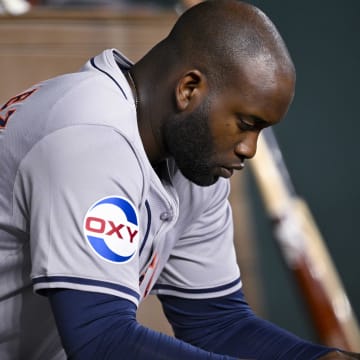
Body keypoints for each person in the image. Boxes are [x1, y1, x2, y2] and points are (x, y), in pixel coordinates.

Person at [0, 0, 359, 359]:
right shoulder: (90, 136)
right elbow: (101, 343)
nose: (249, 149)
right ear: (189, 89)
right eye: (246, 125)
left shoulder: (194, 159)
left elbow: (217, 323)